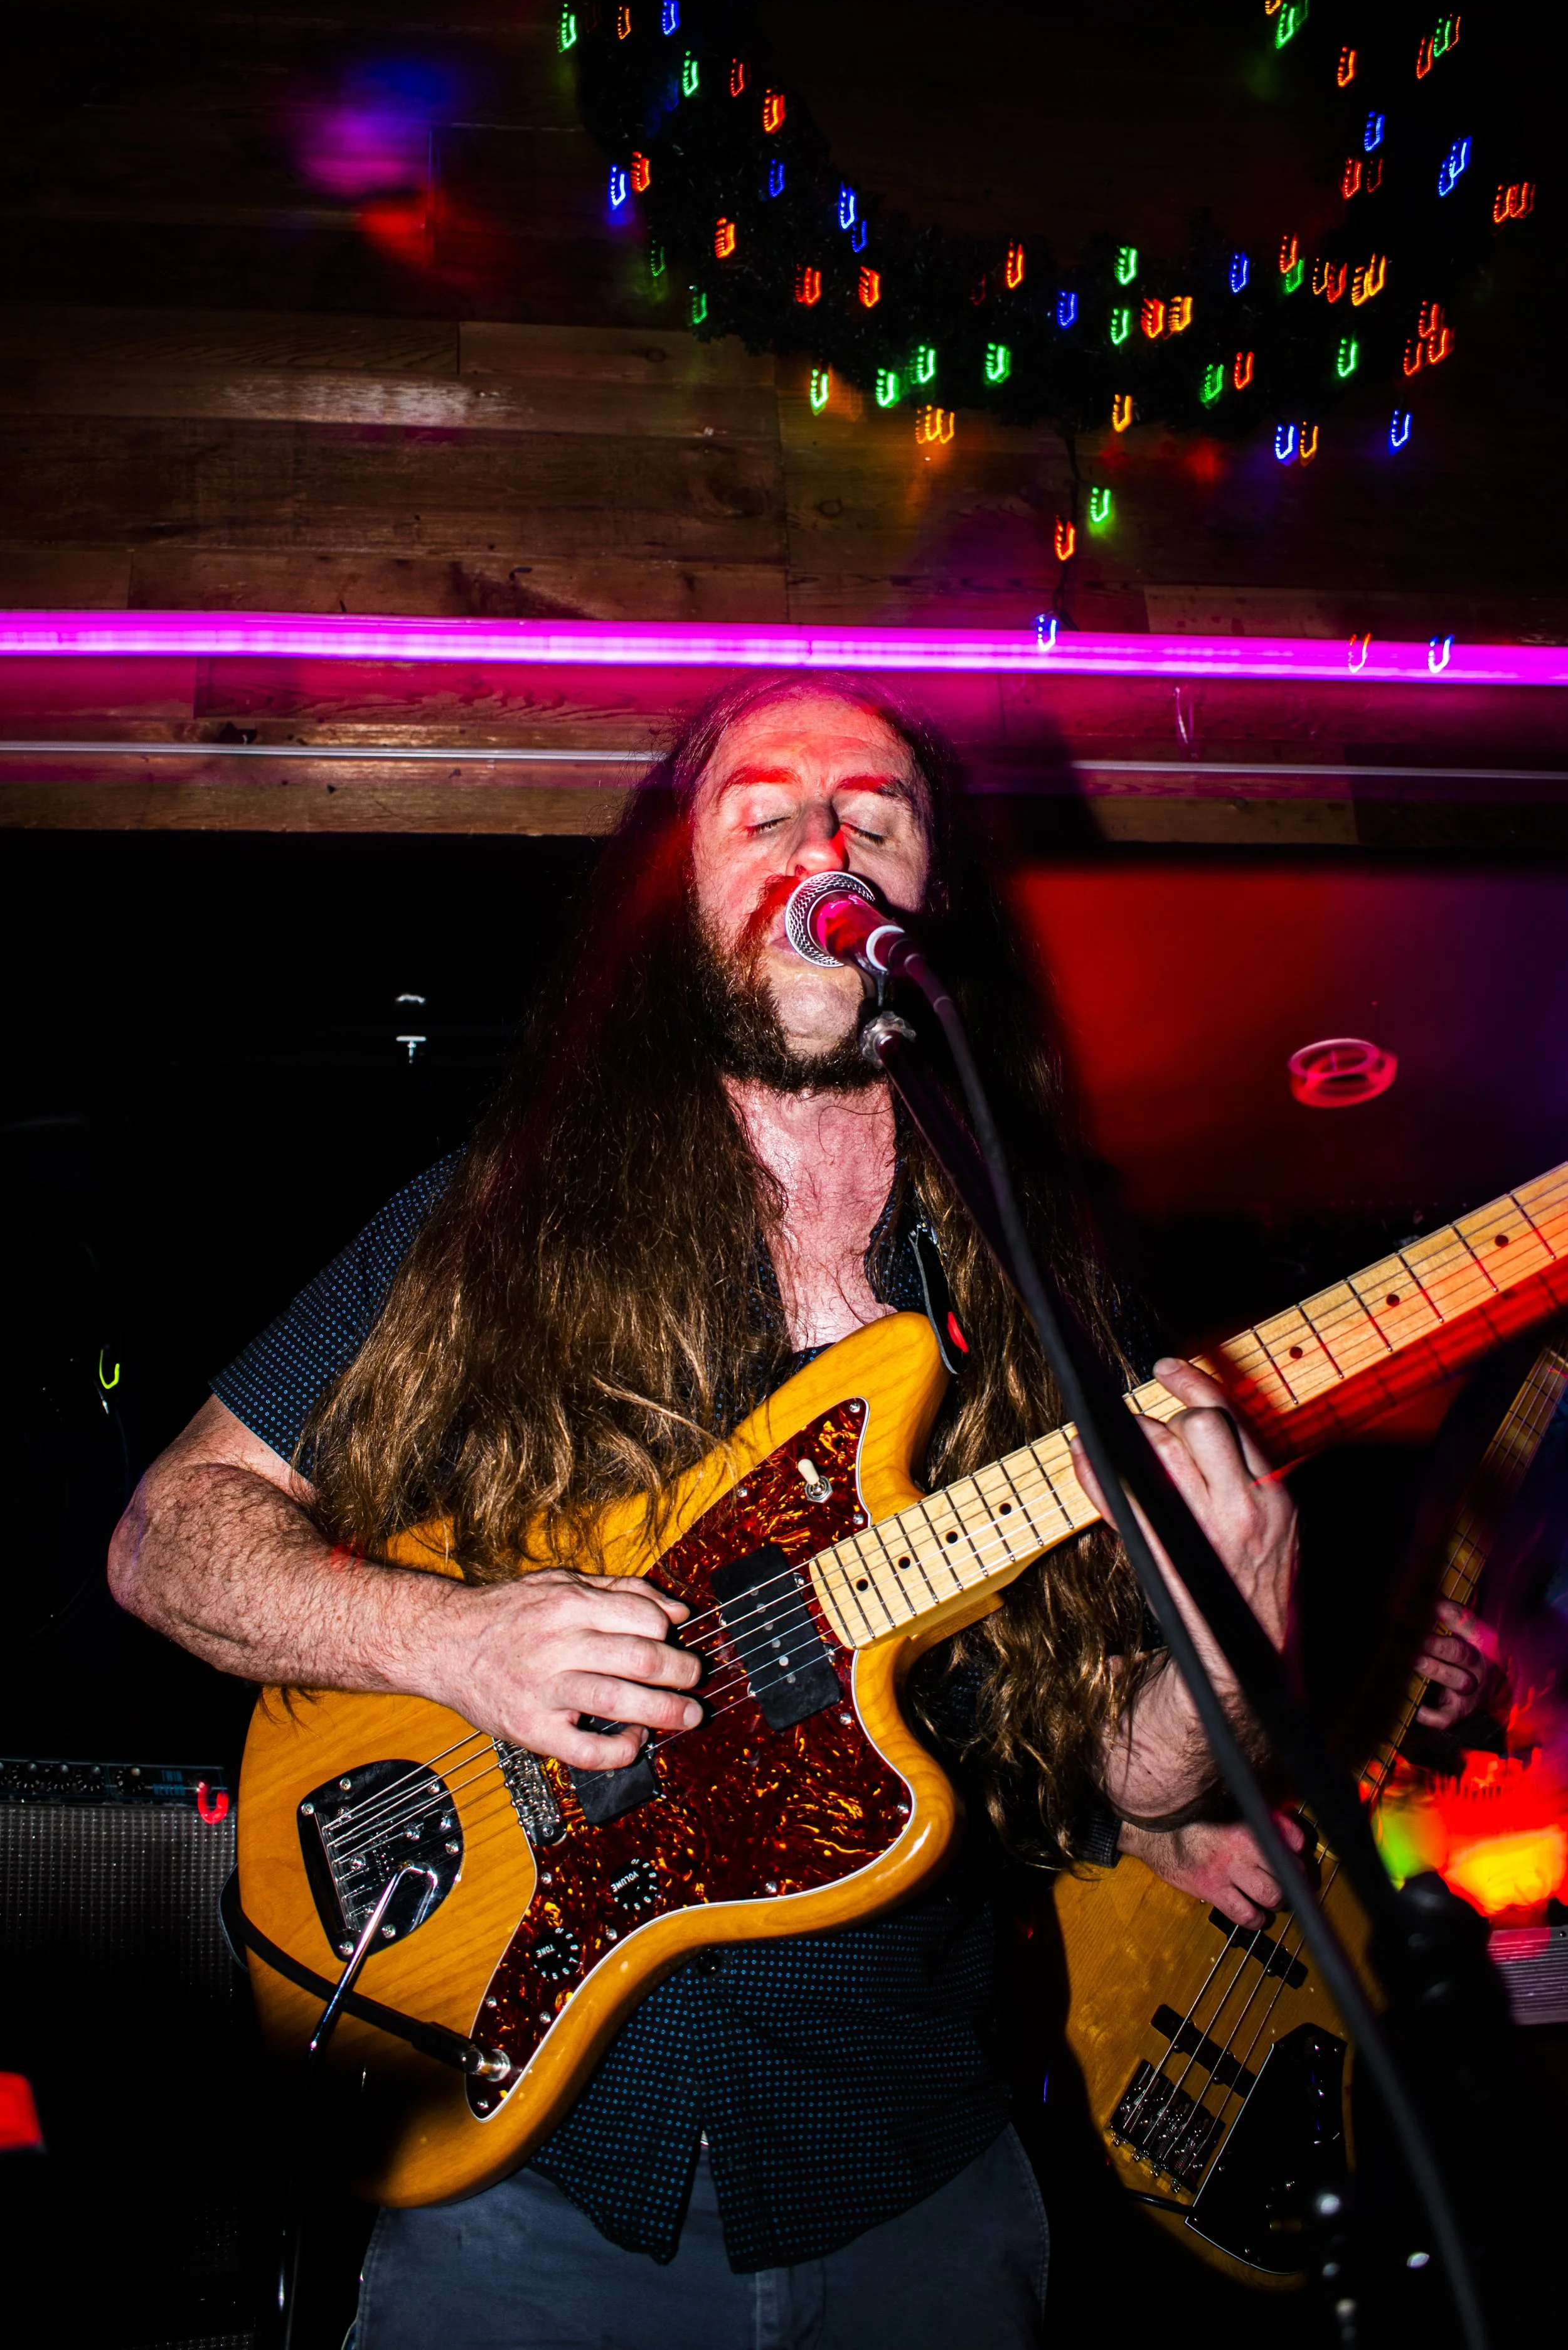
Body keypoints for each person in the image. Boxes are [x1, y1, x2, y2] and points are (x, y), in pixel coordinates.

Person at [109, 675, 1301, 2350]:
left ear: (924, 904)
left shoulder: (1039, 1280)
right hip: (533, 2189)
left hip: (910, 2175)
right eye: (763, 810)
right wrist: (448, 1639)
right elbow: (167, 1532)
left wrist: (1221, 1642)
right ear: (673, 895)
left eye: (875, 817)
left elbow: (1128, 1775)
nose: (827, 837)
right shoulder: (498, 1219)